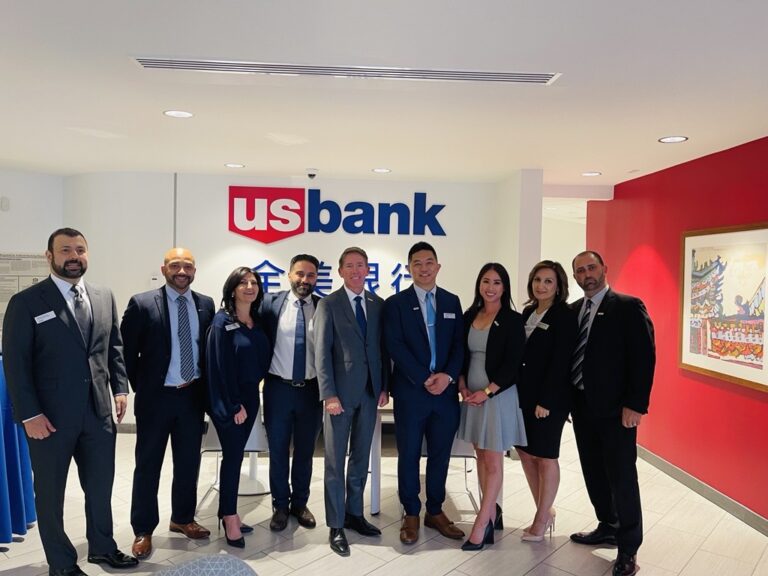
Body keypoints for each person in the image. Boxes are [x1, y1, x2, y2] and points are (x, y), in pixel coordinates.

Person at [2, 227, 137, 576]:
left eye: (80, 249)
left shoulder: (103, 296)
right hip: (49, 418)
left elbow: (114, 347)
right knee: (50, 495)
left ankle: (103, 548)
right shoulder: (27, 302)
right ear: (49, 256)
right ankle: (61, 564)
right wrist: (29, 414)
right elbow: (16, 364)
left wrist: (120, 389)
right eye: (65, 250)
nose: (74, 256)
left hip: (98, 413)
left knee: (100, 487)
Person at [121, 247, 215, 559]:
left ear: (194, 270)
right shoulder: (142, 303)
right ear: (164, 269)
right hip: (156, 399)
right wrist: (142, 388)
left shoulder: (205, 304)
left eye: (188, 266)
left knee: (188, 464)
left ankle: (183, 518)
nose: (182, 271)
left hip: (192, 397)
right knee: (148, 465)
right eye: (175, 265)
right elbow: (126, 352)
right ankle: (143, 528)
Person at [569, 251, 655, 576]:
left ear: (605, 268)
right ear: (575, 277)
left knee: (622, 477)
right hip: (582, 406)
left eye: (591, 267)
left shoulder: (628, 307)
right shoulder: (574, 311)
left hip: (618, 411)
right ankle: (607, 525)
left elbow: (644, 358)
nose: (587, 274)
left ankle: (628, 547)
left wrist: (636, 405)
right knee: (593, 471)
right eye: (580, 270)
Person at [383, 241, 465, 545]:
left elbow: (459, 345)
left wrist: (448, 377)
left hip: (445, 394)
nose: (424, 268)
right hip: (411, 392)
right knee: (408, 454)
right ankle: (411, 513)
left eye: (429, 262)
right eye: (417, 263)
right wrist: (423, 378)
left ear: (438, 266)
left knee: (441, 454)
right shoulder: (396, 304)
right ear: (408, 269)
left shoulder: (452, 301)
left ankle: (435, 510)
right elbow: (394, 345)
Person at [314, 247, 389, 557]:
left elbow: (382, 350)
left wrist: (384, 386)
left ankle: (354, 514)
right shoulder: (329, 304)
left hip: (371, 393)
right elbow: (321, 352)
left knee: (360, 458)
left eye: (361, 265)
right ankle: (336, 524)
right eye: (349, 266)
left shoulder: (378, 304)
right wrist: (328, 394)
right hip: (340, 397)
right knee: (335, 461)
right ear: (340, 271)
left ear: (368, 270)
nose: (356, 270)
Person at [457, 263, 526, 551]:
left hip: (496, 398)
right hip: (471, 398)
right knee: (481, 456)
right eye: (486, 281)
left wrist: (487, 392)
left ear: (504, 287)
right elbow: (460, 354)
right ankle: (490, 512)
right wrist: (463, 385)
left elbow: (513, 364)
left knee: (494, 462)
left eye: (497, 282)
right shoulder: (470, 315)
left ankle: (482, 522)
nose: (490, 287)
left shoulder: (512, 320)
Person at [205, 267, 272, 548]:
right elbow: (218, 366)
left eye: (254, 282)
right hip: (229, 400)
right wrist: (233, 405)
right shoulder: (222, 322)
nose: (249, 286)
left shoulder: (257, 321)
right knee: (233, 458)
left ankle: (226, 510)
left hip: (250, 397)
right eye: (243, 282)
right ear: (232, 289)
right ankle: (230, 517)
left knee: (237, 456)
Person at [514, 260, 578, 542]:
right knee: (526, 452)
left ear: (559, 286)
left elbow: (561, 361)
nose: (541, 285)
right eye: (538, 280)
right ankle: (544, 509)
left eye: (548, 281)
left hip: (549, 400)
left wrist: (547, 400)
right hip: (524, 395)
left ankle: (541, 519)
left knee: (546, 455)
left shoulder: (564, 316)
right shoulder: (528, 312)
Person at [260, 254, 323, 531]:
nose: (304, 280)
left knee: (305, 451)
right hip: (278, 389)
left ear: (316, 278)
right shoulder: (269, 304)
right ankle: (280, 506)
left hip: (311, 390)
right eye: (300, 274)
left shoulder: (323, 307)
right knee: (278, 450)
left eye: (310, 275)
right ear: (289, 275)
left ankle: (300, 503)